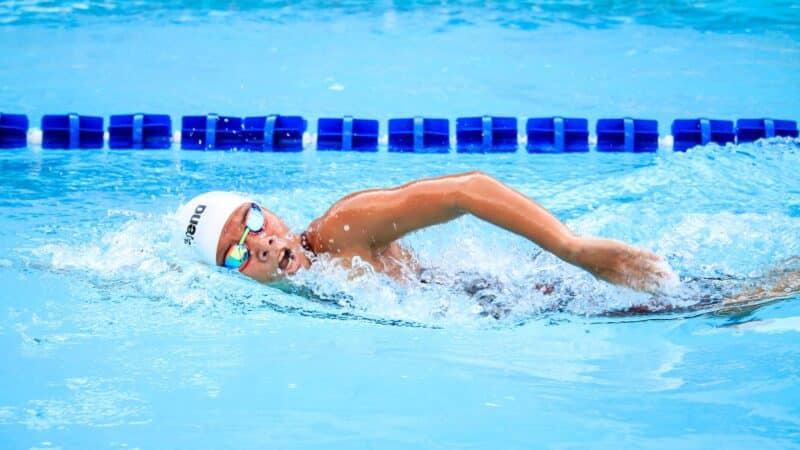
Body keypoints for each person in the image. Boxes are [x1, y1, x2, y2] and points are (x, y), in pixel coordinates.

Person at [178, 171, 675, 295]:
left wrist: (576, 250)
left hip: (517, 296)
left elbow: (466, 190)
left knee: (697, 301)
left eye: (256, 221)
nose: (261, 243)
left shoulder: (341, 229)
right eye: (236, 251)